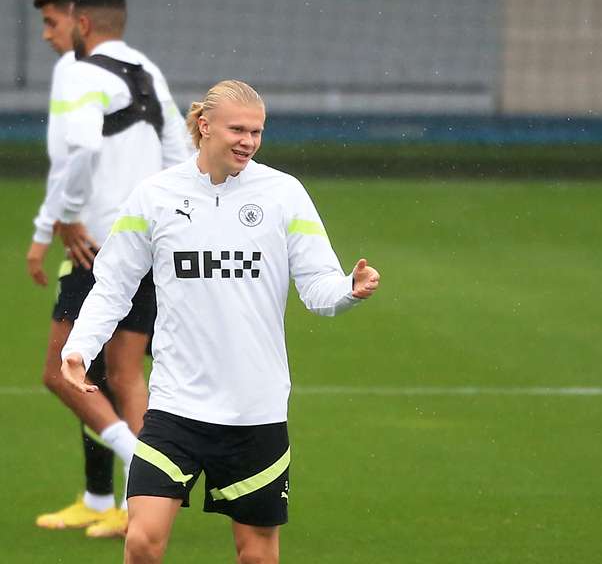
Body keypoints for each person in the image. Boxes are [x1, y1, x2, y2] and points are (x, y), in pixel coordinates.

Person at [60, 79, 381, 563]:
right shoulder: (154, 196)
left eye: (257, 131)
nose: (248, 141)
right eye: (238, 129)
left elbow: (319, 287)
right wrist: (79, 349)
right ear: (204, 126)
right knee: (143, 541)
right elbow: (113, 285)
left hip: (256, 411)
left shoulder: (283, 194)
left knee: (255, 554)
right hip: (175, 407)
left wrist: (348, 291)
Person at [31, 0, 191, 538]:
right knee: (115, 374)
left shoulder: (77, 71)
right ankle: (105, 500)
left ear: (81, 22)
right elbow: (180, 154)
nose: (48, 36)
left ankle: (142, 478)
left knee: (62, 372)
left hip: (96, 245)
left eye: (51, 23)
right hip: (149, 242)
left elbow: (79, 149)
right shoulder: (147, 71)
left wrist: (64, 218)